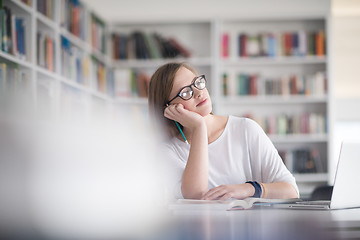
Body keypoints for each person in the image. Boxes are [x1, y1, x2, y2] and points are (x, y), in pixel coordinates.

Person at [148, 62, 299, 200]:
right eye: (185, 92)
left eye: (197, 83)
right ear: (168, 109)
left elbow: (291, 192)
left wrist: (249, 189)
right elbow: (195, 197)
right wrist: (199, 127)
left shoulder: (245, 129)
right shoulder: (167, 151)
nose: (198, 93)